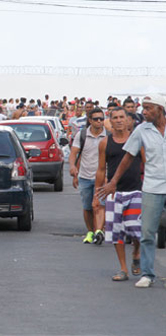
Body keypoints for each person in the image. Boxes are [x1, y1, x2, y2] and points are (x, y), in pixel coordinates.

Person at [97, 94, 166, 288]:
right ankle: (147, 274)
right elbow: (128, 157)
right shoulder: (141, 130)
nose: (143, 112)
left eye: (148, 108)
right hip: (152, 187)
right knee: (146, 232)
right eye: (142, 108)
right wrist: (113, 182)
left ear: (159, 109)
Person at [94, 107, 143, 282]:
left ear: (129, 120)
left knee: (135, 227)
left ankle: (136, 251)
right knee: (116, 232)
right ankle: (123, 268)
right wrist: (96, 195)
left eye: (122, 117)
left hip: (136, 191)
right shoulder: (105, 143)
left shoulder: (137, 140)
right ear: (111, 121)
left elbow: (146, 164)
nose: (119, 120)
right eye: (115, 118)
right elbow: (100, 170)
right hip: (113, 193)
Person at [69, 108, 107, 244]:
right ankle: (91, 231)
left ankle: (99, 232)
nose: (99, 122)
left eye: (101, 119)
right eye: (96, 119)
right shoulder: (82, 135)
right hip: (85, 176)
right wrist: (73, 167)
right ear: (90, 120)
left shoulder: (108, 135)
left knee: (100, 205)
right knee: (87, 207)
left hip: (103, 178)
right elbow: (74, 153)